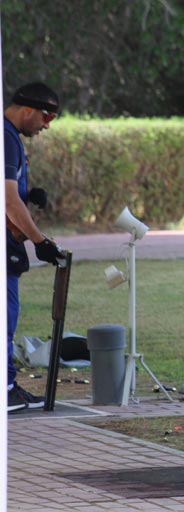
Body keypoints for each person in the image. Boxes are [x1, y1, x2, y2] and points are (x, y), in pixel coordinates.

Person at [4, 82, 66, 412]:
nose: (47, 125)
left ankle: (8, 385)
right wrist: (40, 241)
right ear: (28, 109)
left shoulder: (9, 137)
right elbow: (8, 201)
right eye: (46, 116)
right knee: (5, 318)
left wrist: (29, 195)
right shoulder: (6, 137)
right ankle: (5, 390)